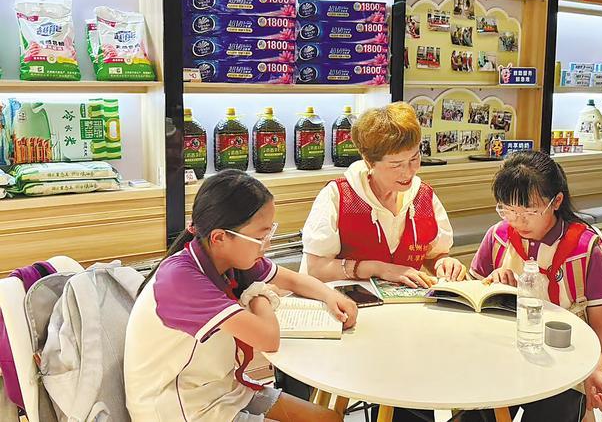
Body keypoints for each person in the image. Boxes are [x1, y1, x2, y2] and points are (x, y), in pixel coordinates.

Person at [124, 170, 357, 422]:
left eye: (269, 233)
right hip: (178, 409)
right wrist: (260, 295)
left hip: (218, 387)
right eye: (260, 237)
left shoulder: (226, 256)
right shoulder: (181, 279)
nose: (267, 244)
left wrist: (332, 297)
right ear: (220, 237)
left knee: (329, 418)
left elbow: (292, 280)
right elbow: (268, 339)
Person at [462, 151, 602, 422]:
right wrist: (491, 284)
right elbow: (474, 298)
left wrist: (597, 369)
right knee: (475, 412)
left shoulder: (585, 249)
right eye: (508, 209)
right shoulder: (498, 237)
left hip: (566, 363)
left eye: (529, 211)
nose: (517, 221)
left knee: (556, 410)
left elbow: (600, 324)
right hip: (503, 355)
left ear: (556, 201)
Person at [303, 102, 466, 288]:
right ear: (369, 161)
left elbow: (433, 254)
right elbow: (317, 269)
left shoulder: (423, 196)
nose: (409, 171)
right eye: (396, 165)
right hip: (345, 301)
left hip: (406, 303)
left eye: (414, 158)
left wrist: (443, 263)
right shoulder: (338, 195)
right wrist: (379, 269)